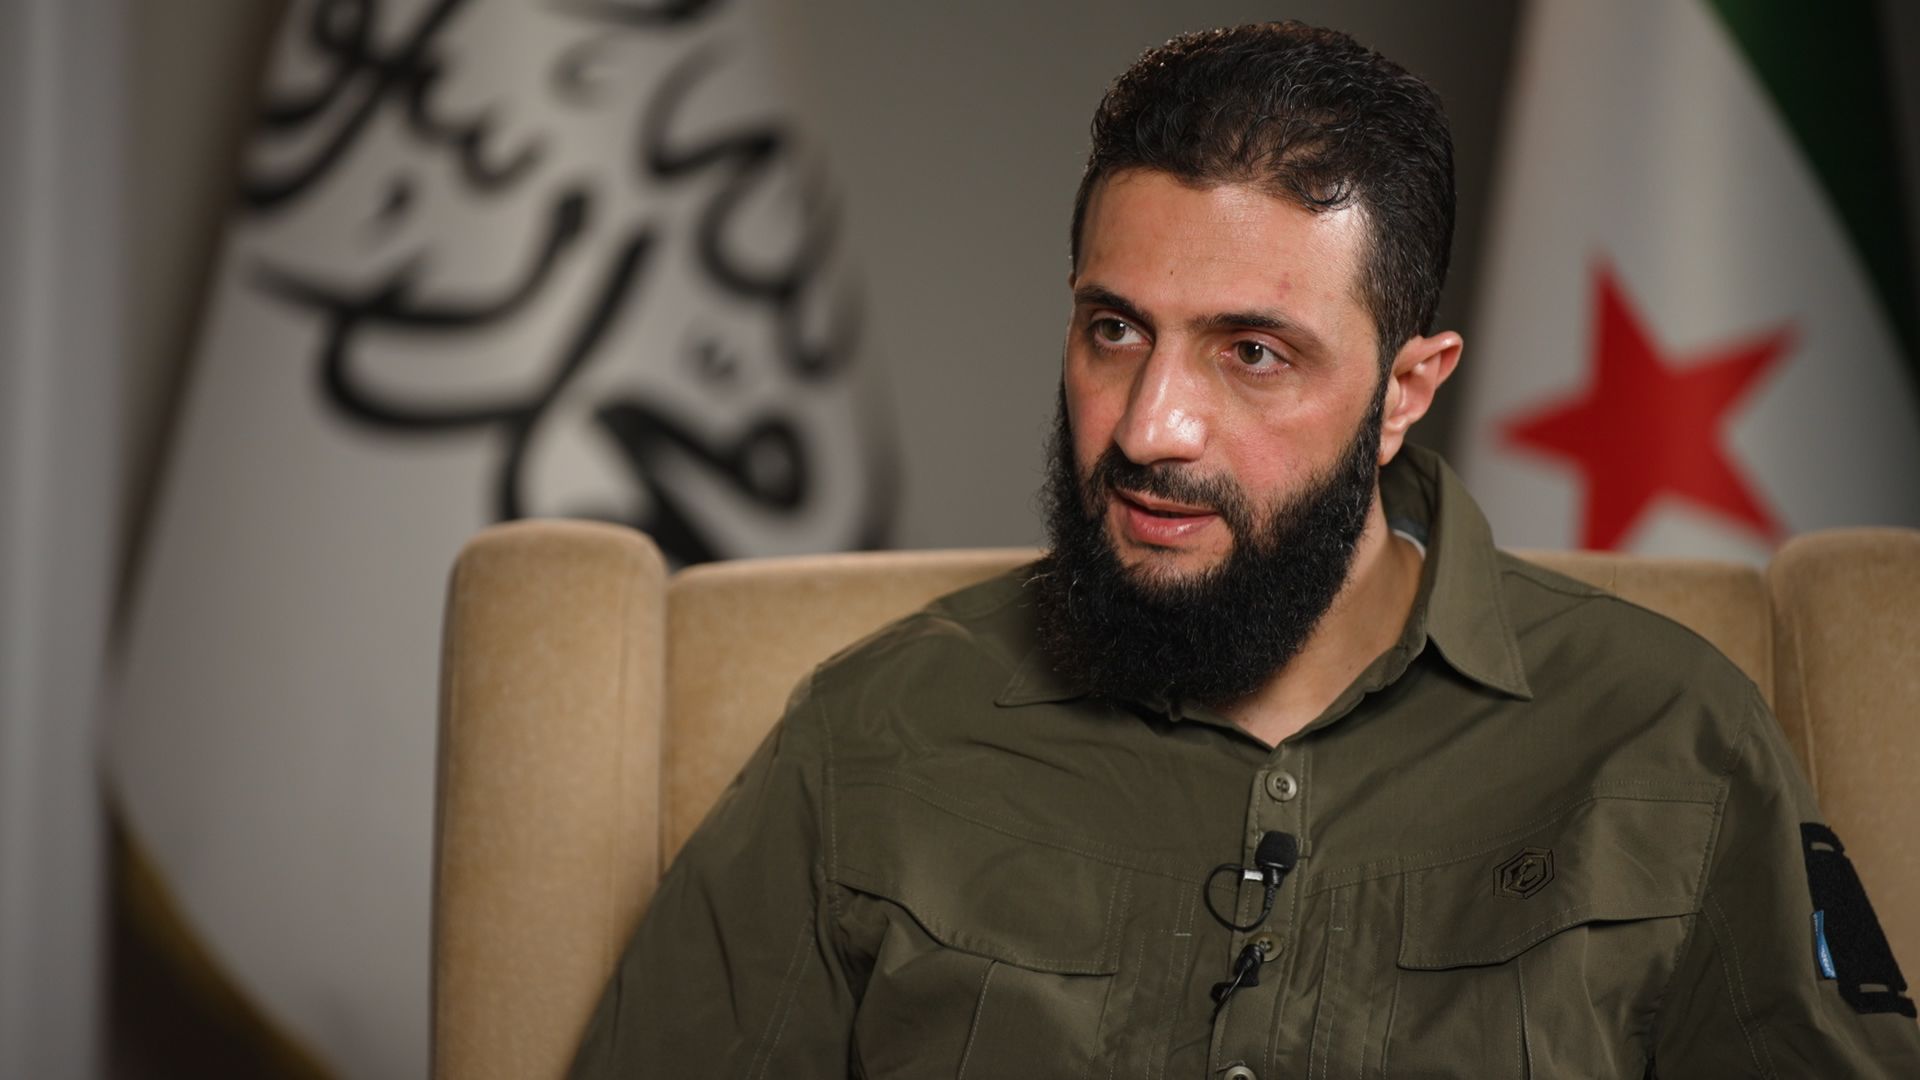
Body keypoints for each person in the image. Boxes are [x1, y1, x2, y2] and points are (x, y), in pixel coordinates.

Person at [567, 21, 1920, 1078]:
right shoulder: (873, 733)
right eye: (1114, 331)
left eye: (1253, 352)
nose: (1149, 426)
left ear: (1406, 391)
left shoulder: (1668, 738)